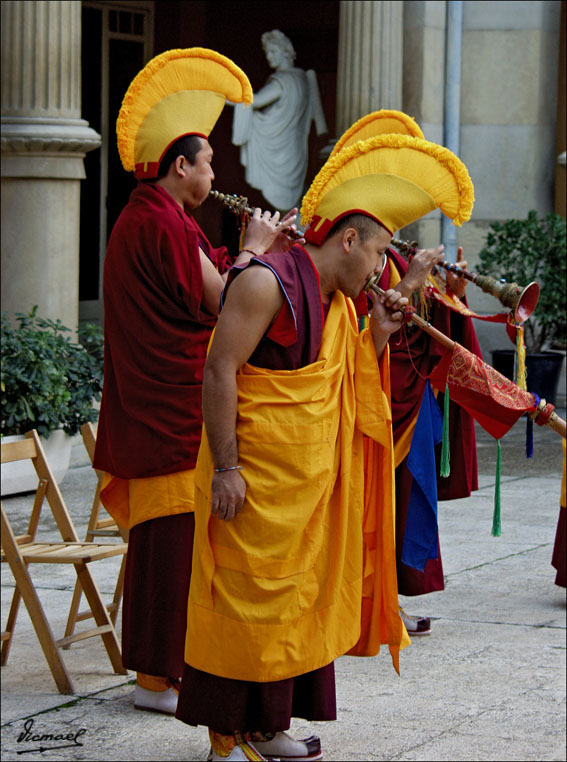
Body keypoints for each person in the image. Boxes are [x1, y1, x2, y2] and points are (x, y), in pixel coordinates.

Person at [175, 132, 475, 760]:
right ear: (348, 241)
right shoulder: (264, 282)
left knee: (295, 601)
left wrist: (380, 335)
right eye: (378, 253)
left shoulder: (338, 304)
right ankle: (231, 732)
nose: (380, 269)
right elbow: (218, 370)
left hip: (306, 487)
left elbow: (340, 385)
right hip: (254, 479)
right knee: (249, 599)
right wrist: (226, 466)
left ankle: (270, 723)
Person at [93, 47, 298, 716]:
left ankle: (165, 668)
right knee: (169, 547)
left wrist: (251, 250)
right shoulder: (157, 221)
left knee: (172, 547)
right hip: (168, 410)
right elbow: (221, 302)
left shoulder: (158, 218)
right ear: (180, 167)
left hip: (159, 404)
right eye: (207, 161)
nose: (215, 171)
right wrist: (255, 252)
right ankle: (156, 675)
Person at [330, 111, 481, 636]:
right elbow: (371, 307)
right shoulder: (349, 244)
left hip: (407, 396)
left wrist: (449, 296)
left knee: (397, 505)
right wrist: (414, 280)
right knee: (374, 505)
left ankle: (386, 599)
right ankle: (366, 602)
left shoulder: (387, 247)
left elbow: (415, 320)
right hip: (375, 394)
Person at [232, 29, 327, 210]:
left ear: (286, 52)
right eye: (267, 52)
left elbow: (254, 101)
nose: (268, 57)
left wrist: (224, 93)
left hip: (281, 153)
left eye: (273, 51)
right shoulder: (304, 79)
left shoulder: (282, 81)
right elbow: (319, 123)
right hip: (296, 151)